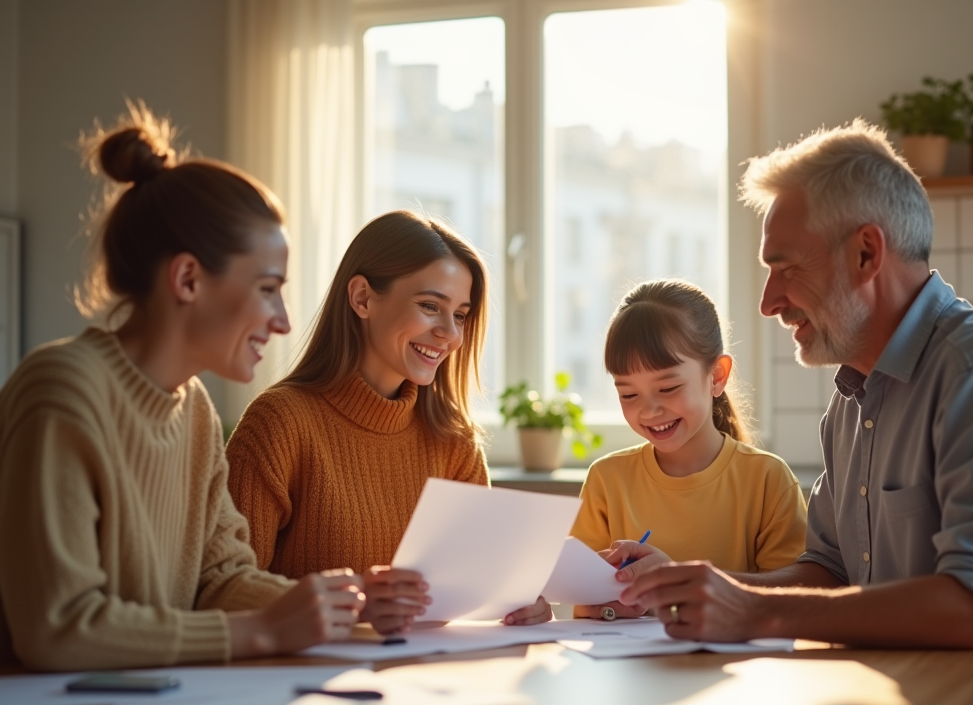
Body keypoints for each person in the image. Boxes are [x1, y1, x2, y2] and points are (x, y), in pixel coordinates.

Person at [617, 120, 973, 659]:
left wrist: (751, 610)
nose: (769, 302)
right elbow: (829, 570)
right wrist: (699, 590)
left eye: (786, 268)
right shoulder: (852, 399)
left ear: (866, 253)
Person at [0, 103, 366, 672]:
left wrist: (345, 612)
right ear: (188, 278)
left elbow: (219, 578)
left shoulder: (192, 406)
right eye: (269, 289)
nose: (284, 320)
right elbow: (58, 628)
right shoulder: (64, 391)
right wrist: (263, 631)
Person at [226, 211, 551, 636]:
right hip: (306, 684)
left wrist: (515, 601)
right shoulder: (279, 424)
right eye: (430, 306)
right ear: (362, 298)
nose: (450, 334)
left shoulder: (453, 440)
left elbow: (464, 598)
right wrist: (357, 601)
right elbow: (226, 589)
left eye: (460, 315)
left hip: (422, 679)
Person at [571, 279, 807, 620]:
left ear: (717, 376)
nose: (649, 411)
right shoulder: (606, 480)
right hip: (629, 668)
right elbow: (584, 605)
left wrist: (675, 586)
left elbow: (791, 600)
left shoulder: (768, 481)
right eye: (628, 394)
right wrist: (614, 606)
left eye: (668, 388)